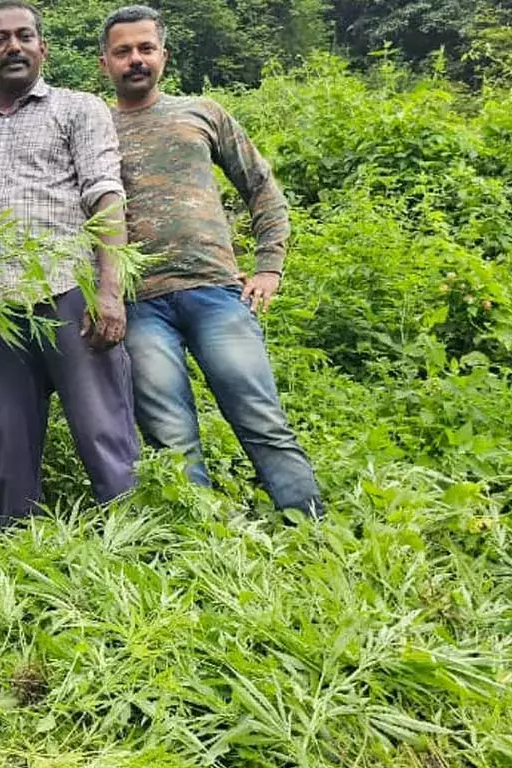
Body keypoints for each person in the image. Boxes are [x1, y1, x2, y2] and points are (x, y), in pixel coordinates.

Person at [102, 6, 323, 516]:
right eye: (123, 51)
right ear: (105, 62)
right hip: (138, 305)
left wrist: (269, 264)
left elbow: (261, 187)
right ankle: (202, 540)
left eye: (145, 49)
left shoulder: (203, 112)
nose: (136, 59)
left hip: (216, 292)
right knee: (169, 433)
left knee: (260, 416)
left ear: (164, 55)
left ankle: (310, 526)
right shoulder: (93, 126)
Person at [0, 2, 140, 527]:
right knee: (3, 440)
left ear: (42, 47)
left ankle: (132, 542)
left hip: (69, 293)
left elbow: (105, 198)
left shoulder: (77, 110)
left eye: (24, 36)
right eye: (0, 40)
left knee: (102, 431)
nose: (13, 47)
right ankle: (17, 545)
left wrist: (110, 292)